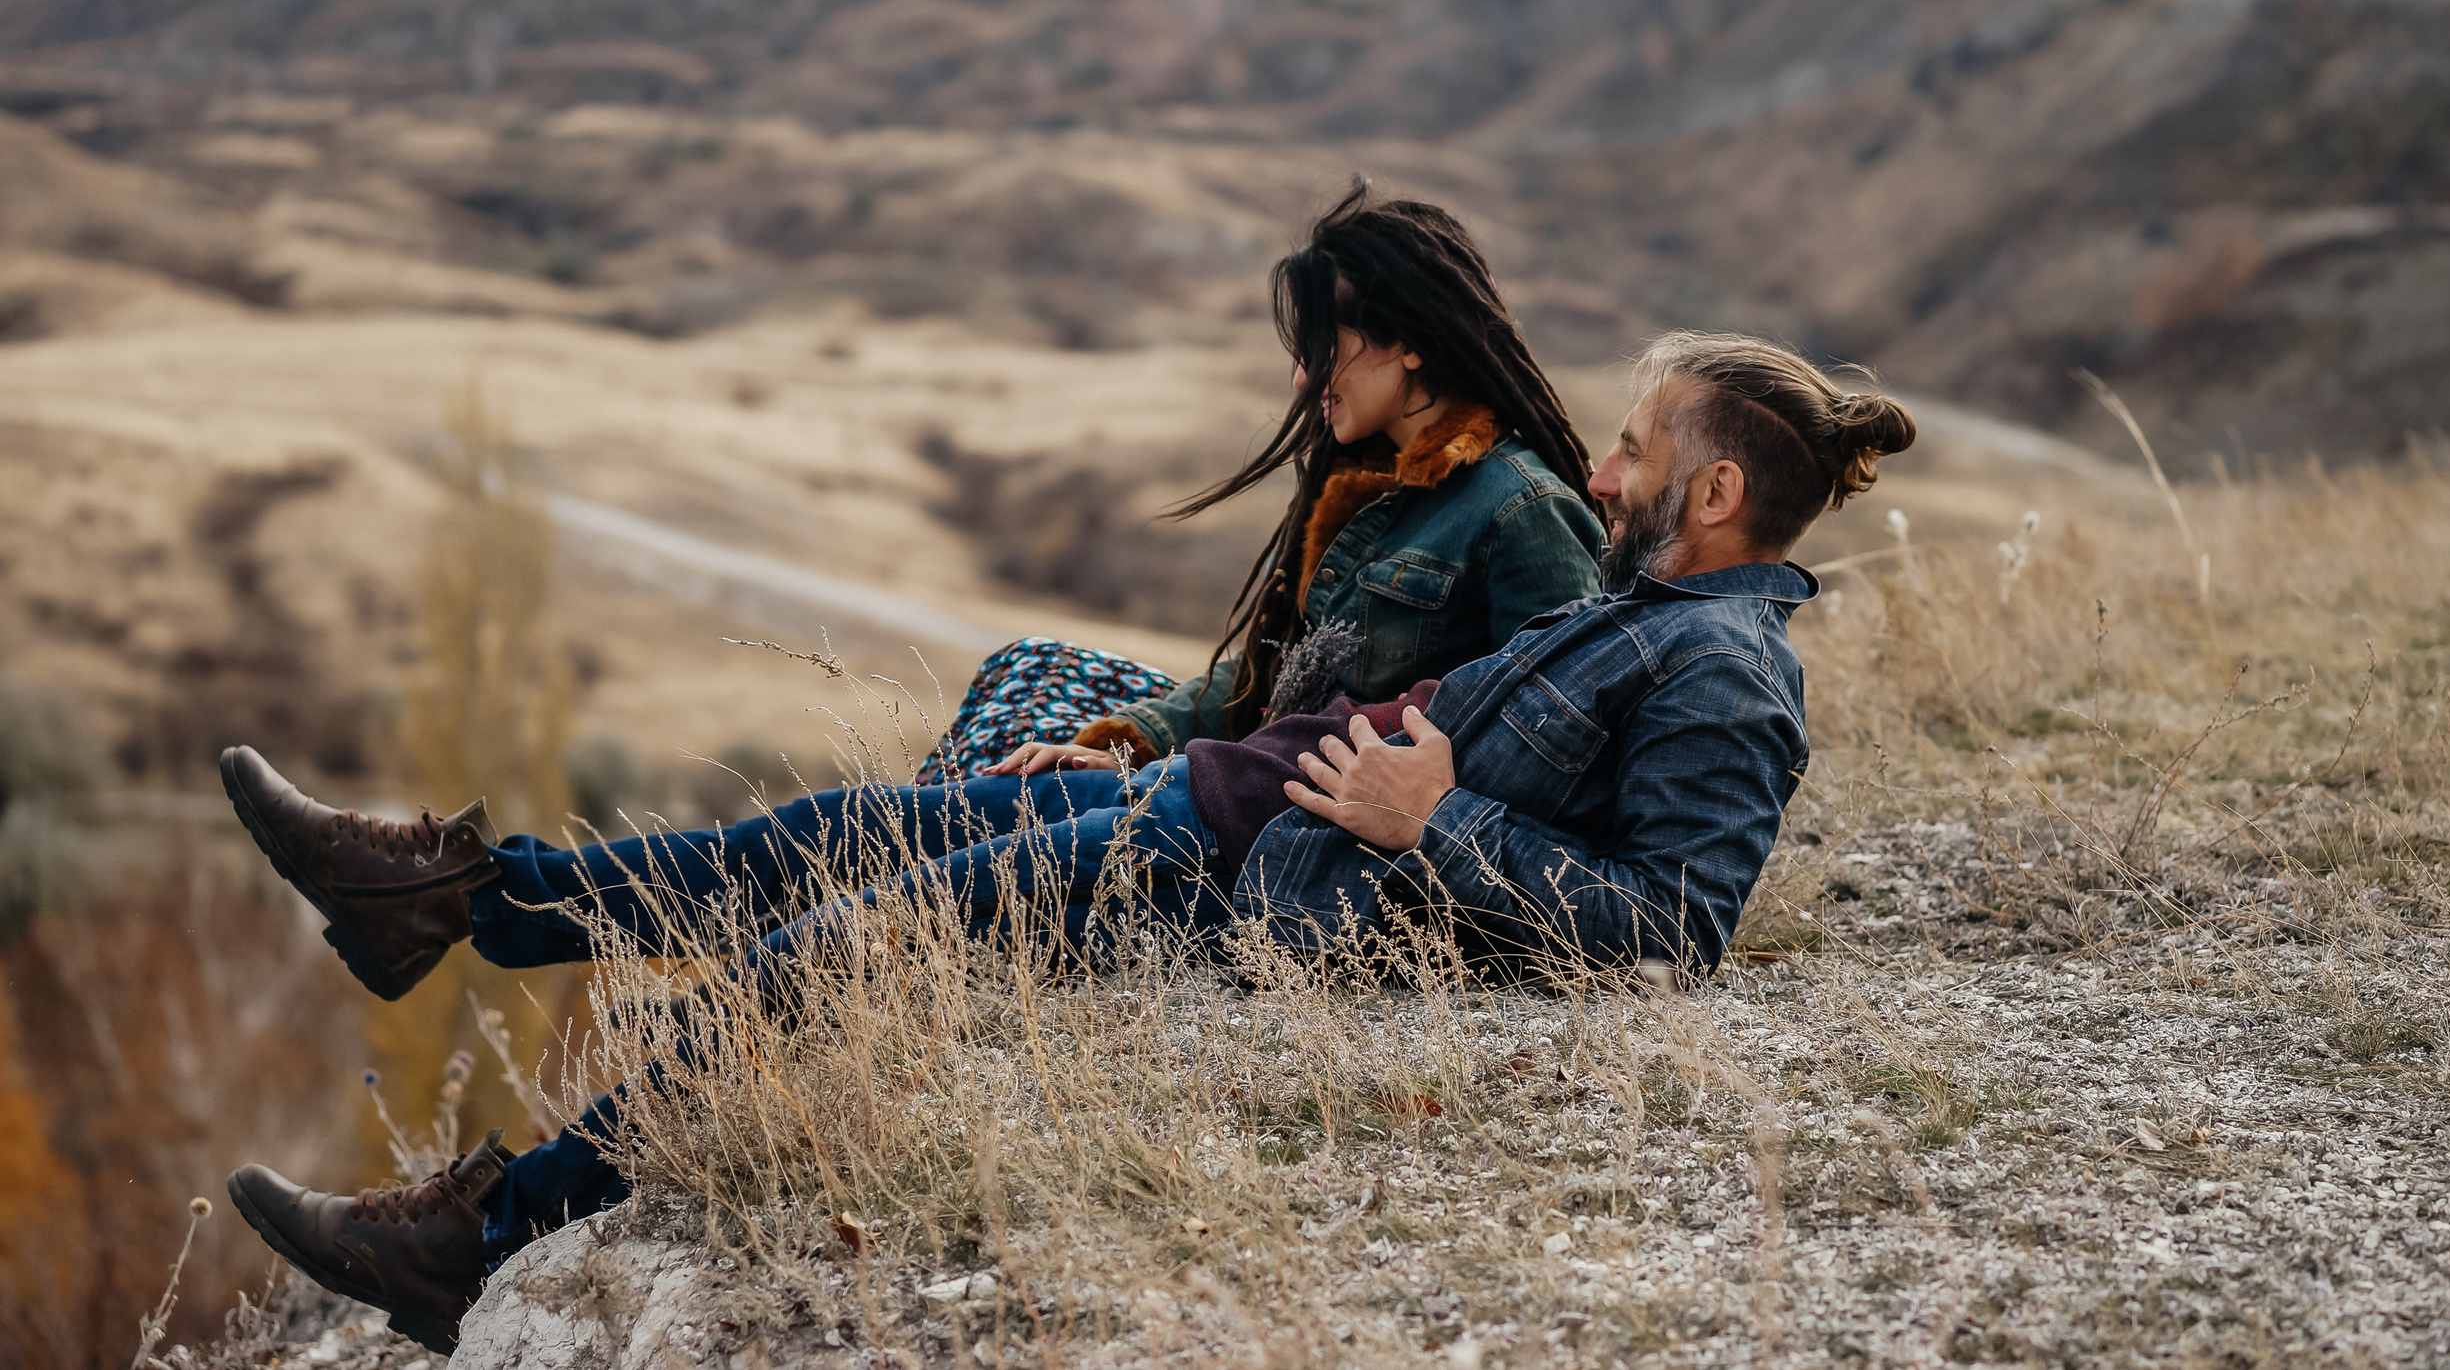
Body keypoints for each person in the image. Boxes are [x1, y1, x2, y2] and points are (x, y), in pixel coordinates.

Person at [218, 331, 1915, 1351]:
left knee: (822, 955)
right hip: (1208, 796)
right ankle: (449, 897)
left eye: (1636, 447)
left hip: (1241, 882)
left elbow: (1675, 924)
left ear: (1709, 497)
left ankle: (471, 1238)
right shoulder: (1645, 615)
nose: (1605, 467)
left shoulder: (1725, 673)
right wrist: (1174, 738)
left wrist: (1434, 817)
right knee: (849, 827)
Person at [926, 180, 1606, 780]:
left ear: (1407, 342)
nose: (1301, 381)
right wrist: (1130, 746)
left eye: (1320, 350)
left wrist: (1184, 780)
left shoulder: (1523, 512)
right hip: (1256, 764)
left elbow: (1550, 747)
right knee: (1028, 670)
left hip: (1301, 815)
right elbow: (1274, 669)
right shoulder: (1368, 485)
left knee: (983, 793)